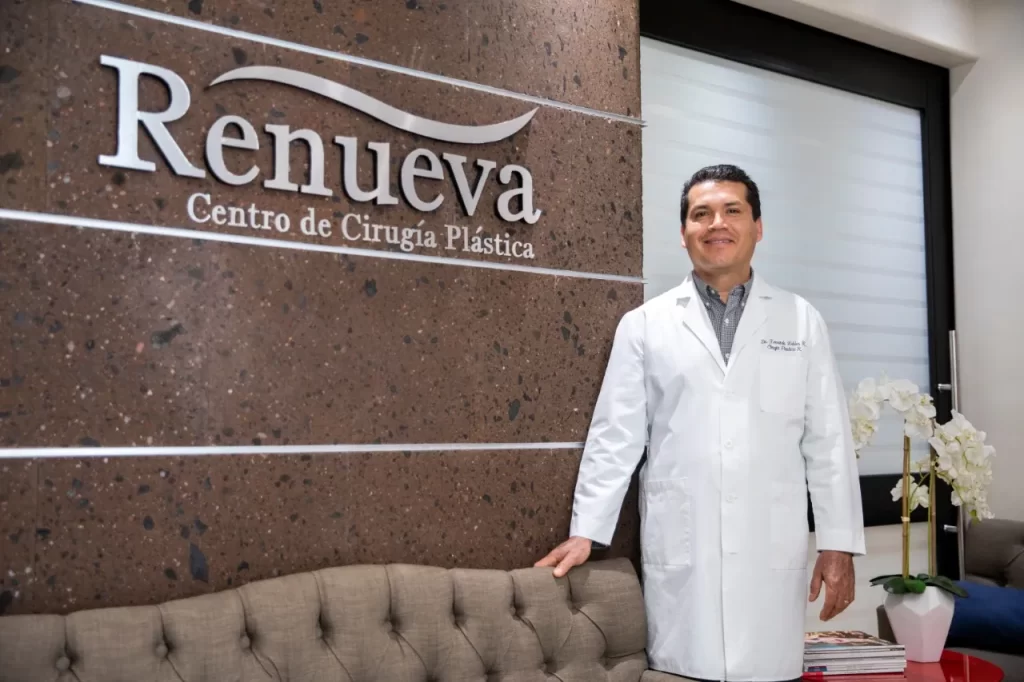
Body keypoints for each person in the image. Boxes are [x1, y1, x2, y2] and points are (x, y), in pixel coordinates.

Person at [535, 164, 866, 682]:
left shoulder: (801, 320)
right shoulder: (645, 324)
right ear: (684, 232)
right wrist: (586, 532)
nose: (717, 223)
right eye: (701, 214)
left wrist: (837, 542)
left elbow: (827, 441)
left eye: (733, 210)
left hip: (770, 550)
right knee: (686, 671)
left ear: (758, 227)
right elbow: (615, 436)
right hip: (684, 555)